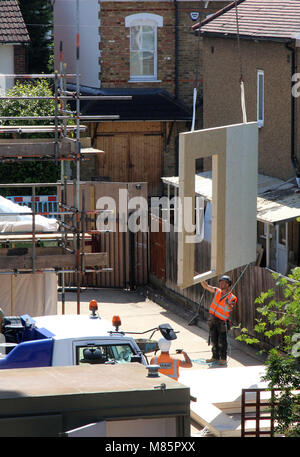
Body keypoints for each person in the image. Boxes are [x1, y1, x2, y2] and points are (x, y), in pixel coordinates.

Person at [201, 275, 237, 366]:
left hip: (222, 322)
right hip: (213, 319)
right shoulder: (217, 291)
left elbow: (231, 308)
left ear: (228, 284)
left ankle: (223, 359)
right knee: (214, 340)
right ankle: (215, 357)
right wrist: (201, 278)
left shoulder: (232, 297)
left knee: (222, 341)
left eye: (223, 282)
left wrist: (227, 304)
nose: (220, 284)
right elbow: (206, 286)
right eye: (220, 282)